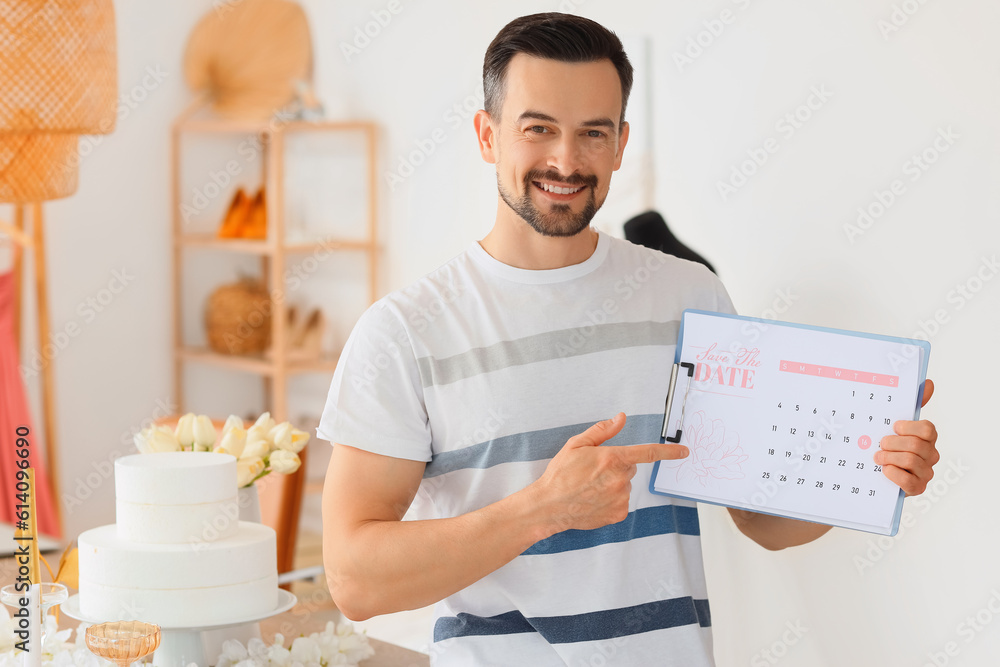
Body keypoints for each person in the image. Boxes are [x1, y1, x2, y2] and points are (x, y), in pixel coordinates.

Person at [318, 13, 940, 666]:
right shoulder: (404, 332)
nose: (565, 159)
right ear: (487, 134)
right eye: (538, 129)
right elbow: (355, 580)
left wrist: (862, 470)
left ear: (620, 144)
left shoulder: (689, 298)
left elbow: (761, 520)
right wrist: (543, 510)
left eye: (593, 132)